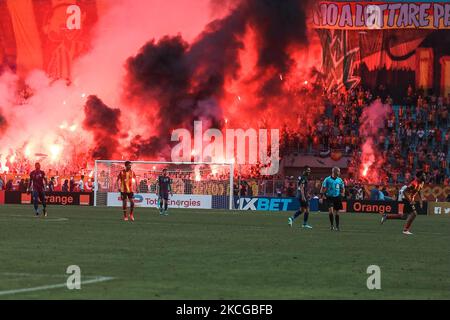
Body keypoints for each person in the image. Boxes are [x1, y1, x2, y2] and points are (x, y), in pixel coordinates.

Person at [320, 167, 345, 231]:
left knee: (337, 212)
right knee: (331, 211)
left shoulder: (340, 180)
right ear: (335, 172)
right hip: (329, 197)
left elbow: (342, 187)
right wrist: (321, 196)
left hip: (337, 197)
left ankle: (337, 226)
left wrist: (342, 193)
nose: (339, 173)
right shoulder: (327, 179)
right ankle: (331, 225)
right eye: (338, 171)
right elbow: (323, 188)